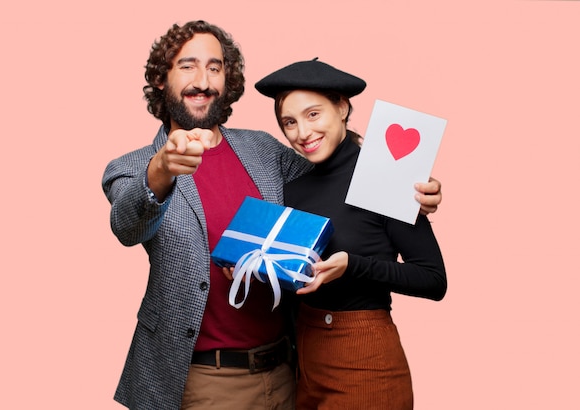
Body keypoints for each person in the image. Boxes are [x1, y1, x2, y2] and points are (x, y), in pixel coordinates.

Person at [102, 20, 443, 409]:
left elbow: (329, 164)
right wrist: (162, 168)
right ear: (161, 79)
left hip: (290, 369)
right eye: (187, 66)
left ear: (227, 80)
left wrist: (407, 181)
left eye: (214, 67)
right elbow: (129, 224)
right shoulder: (132, 166)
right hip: (205, 379)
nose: (203, 80)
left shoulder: (264, 150)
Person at [254, 59, 447, 409]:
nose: (302, 133)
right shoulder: (292, 186)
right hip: (304, 359)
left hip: (365, 358)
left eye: (313, 115)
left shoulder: (386, 175)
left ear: (342, 107)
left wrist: (353, 265)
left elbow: (434, 280)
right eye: (289, 122)